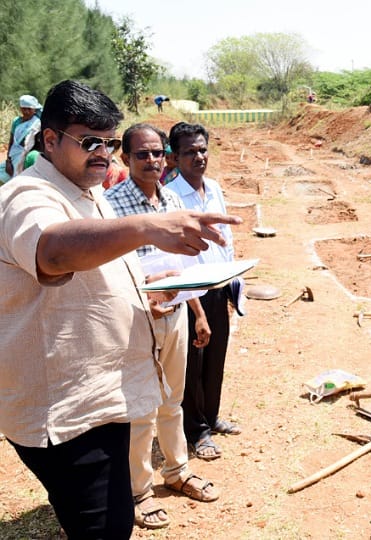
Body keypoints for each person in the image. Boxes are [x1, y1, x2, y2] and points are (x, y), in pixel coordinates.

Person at [0, 80, 239, 539]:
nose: (103, 153)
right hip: (67, 413)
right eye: (89, 141)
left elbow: (95, 274)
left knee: (112, 524)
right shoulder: (27, 195)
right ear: (50, 140)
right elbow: (51, 253)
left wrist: (146, 288)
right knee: (104, 529)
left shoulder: (90, 196)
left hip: (102, 398)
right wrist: (148, 226)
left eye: (108, 143)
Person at [104, 123, 221, 530]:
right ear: (125, 158)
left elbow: (183, 265)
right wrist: (143, 294)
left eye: (157, 153)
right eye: (142, 155)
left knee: (173, 399)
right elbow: (107, 269)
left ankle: (178, 471)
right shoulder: (111, 204)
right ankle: (139, 491)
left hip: (174, 315)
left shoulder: (171, 198)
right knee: (140, 408)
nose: (152, 161)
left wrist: (199, 312)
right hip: (135, 319)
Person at [166, 122, 241, 461]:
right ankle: (196, 430)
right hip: (190, 292)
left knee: (216, 357)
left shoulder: (213, 188)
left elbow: (226, 238)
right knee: (192, 363)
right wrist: (196, 310)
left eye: (202, 150)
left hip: (218, 285)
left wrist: (231, 284)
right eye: (190, 152)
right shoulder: (170, 198)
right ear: (175, 158)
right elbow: (177, 259)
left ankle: (211, 418)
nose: (199, 157)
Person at [2, 94, 42, 182]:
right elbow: (12, 141)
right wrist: (8, 160)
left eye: (29, 109)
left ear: (34, 109)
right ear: (20, 108)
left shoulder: (37, 123)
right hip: (14, 155)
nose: (26, 112)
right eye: (24, 109)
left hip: (27, 156)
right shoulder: (16, 121)